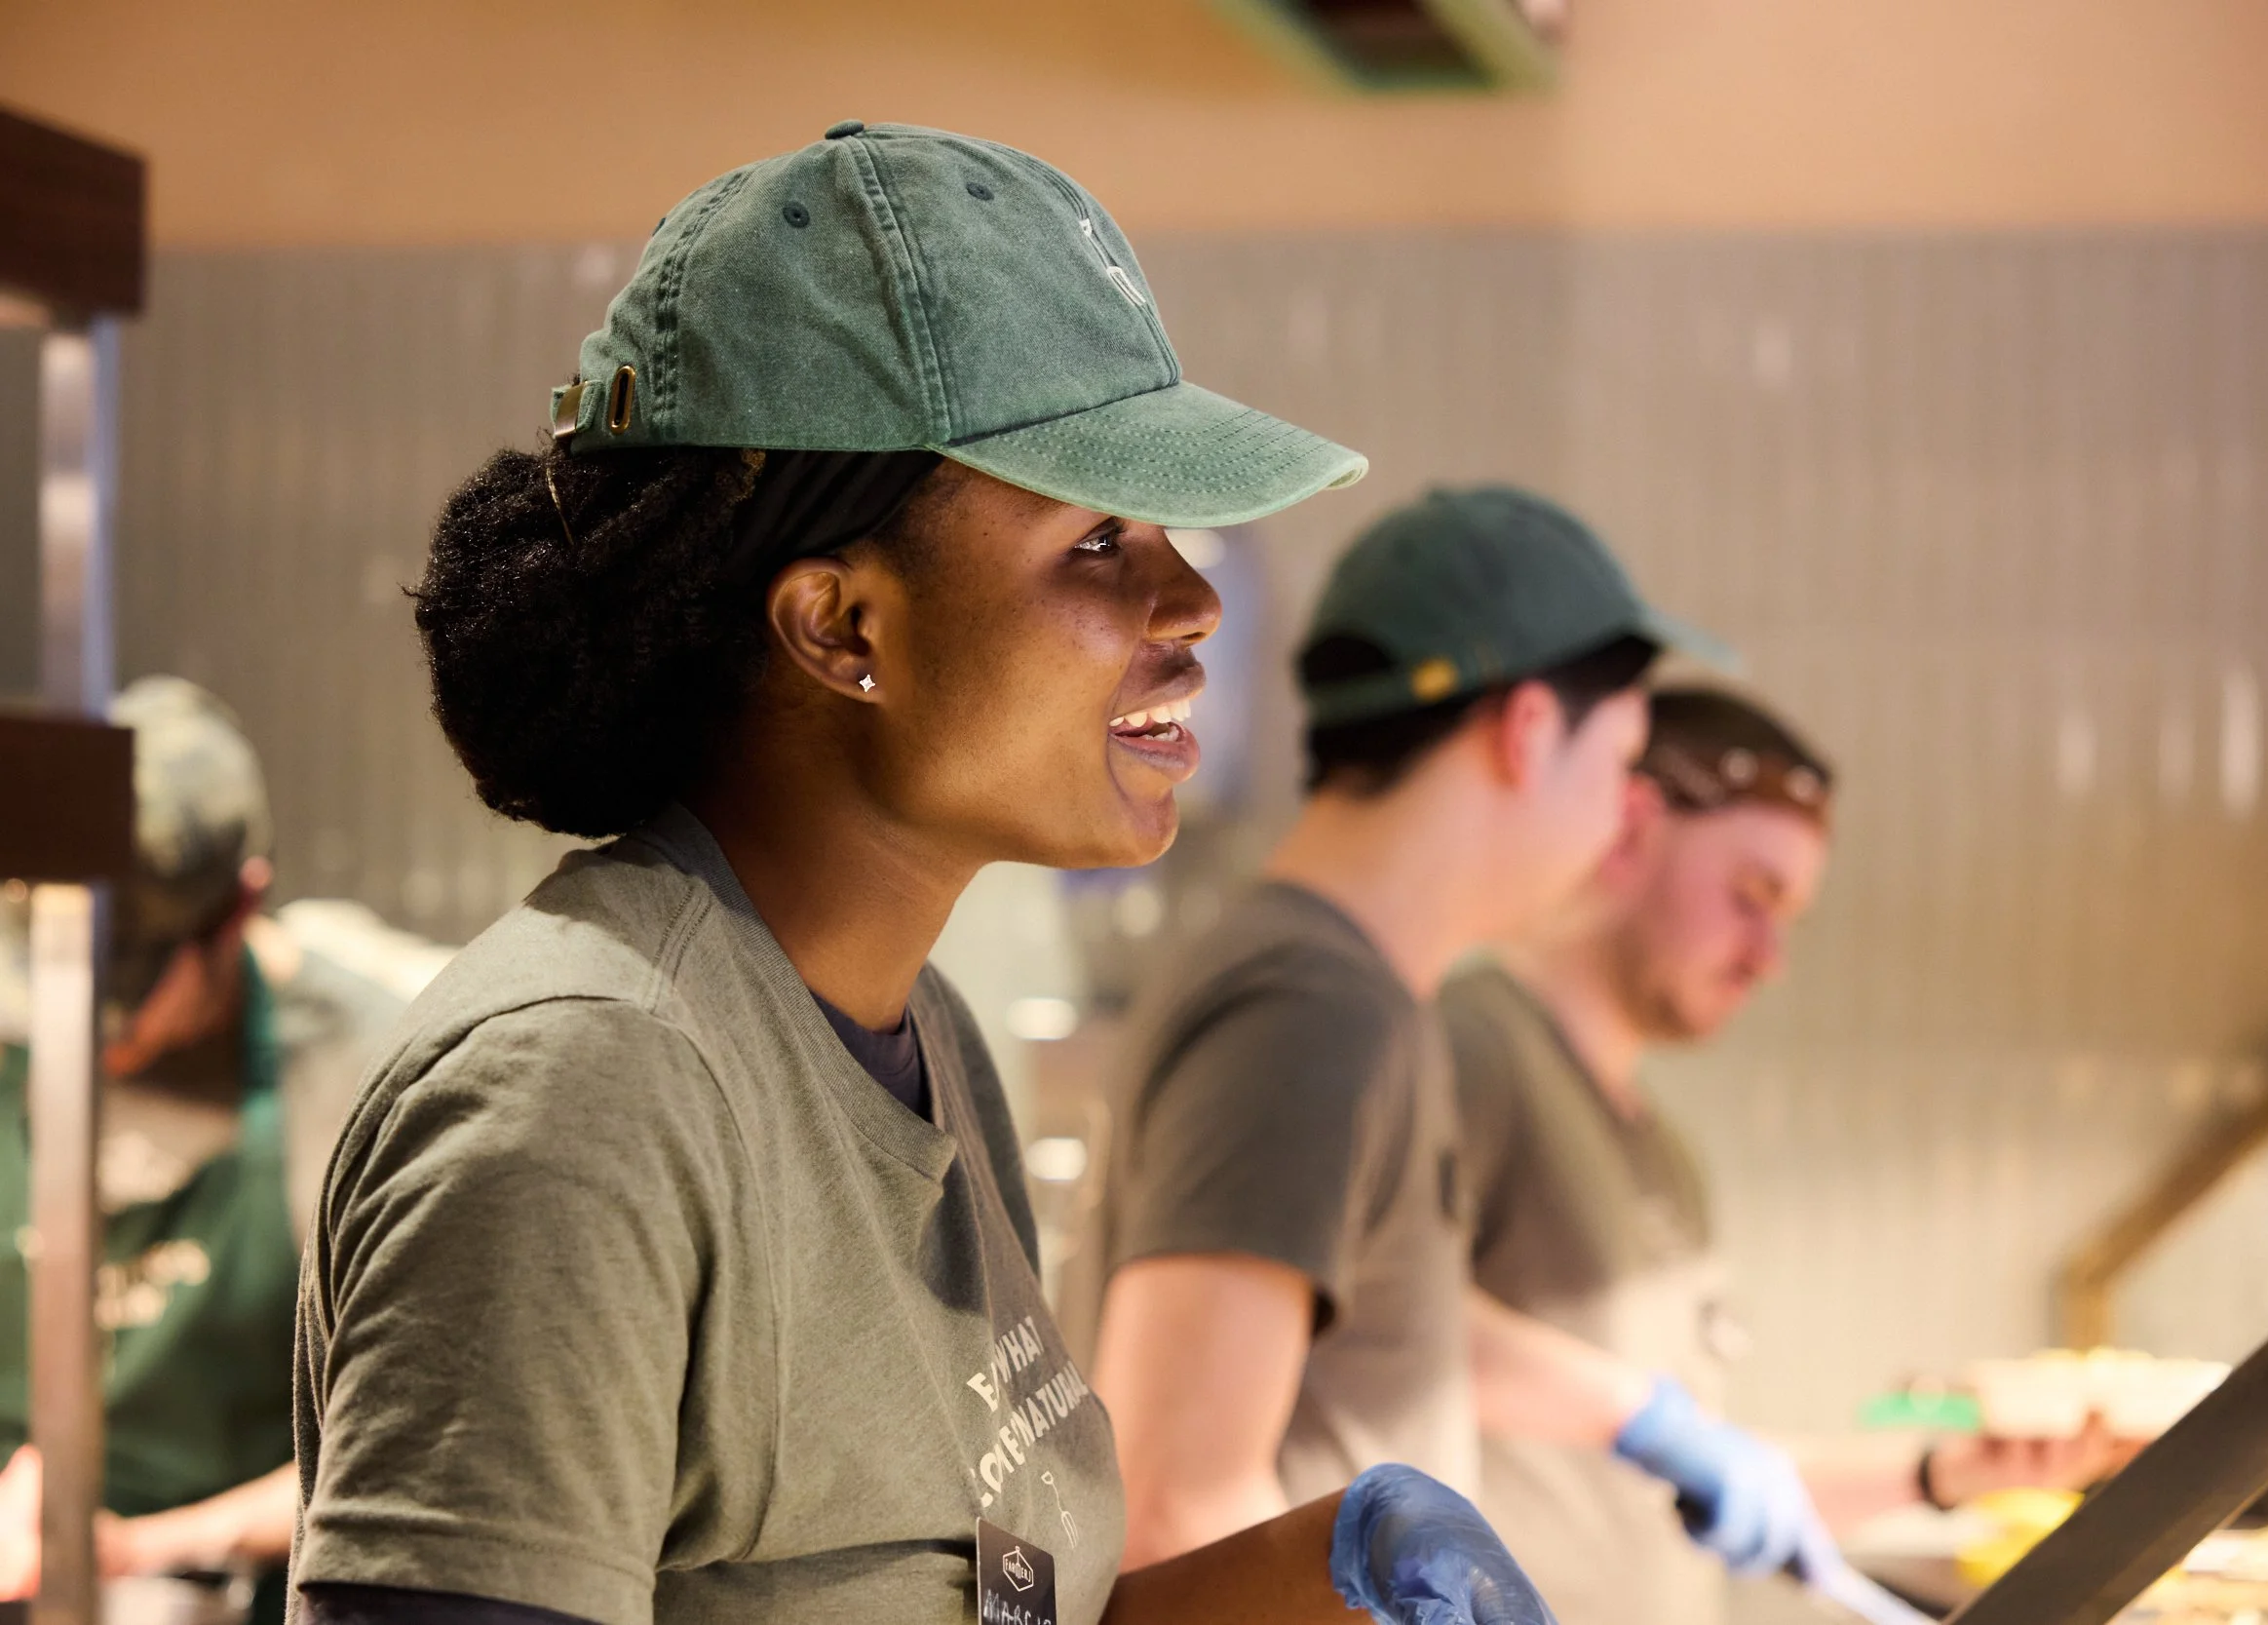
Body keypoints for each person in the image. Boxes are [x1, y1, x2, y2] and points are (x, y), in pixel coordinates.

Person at [287, 122, 1551, 1625]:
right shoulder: (588, 1091)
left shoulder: (924, 1037)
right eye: (1100, 538)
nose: (1190, 600)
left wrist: (1312, 1575)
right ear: (840, 626)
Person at [1081, 486, 1842, 1577]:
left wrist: (1637, 1413)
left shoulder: (1360, 998)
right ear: (1527, 732)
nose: (1621, 817)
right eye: (1621, 764)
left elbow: (1375, 1326)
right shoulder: (1310, 1006)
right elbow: (1177, 1505)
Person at [1446, 685, 2121, 1625]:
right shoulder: (1467, 1049)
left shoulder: (1666, 1156)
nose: (1769, 956)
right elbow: (1383, 1326)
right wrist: (1642, 1415)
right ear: (1631, 827)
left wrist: (1947, 1472)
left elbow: (1712, 1477)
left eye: (1788, 915)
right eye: (1750, 895)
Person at [0, 677, 422, 1625]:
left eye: (119, 991)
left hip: (229, 1588)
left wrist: (139, 1547)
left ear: (238, 909)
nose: (79, 1023)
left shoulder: (364, 1080)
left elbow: (398, 1445)